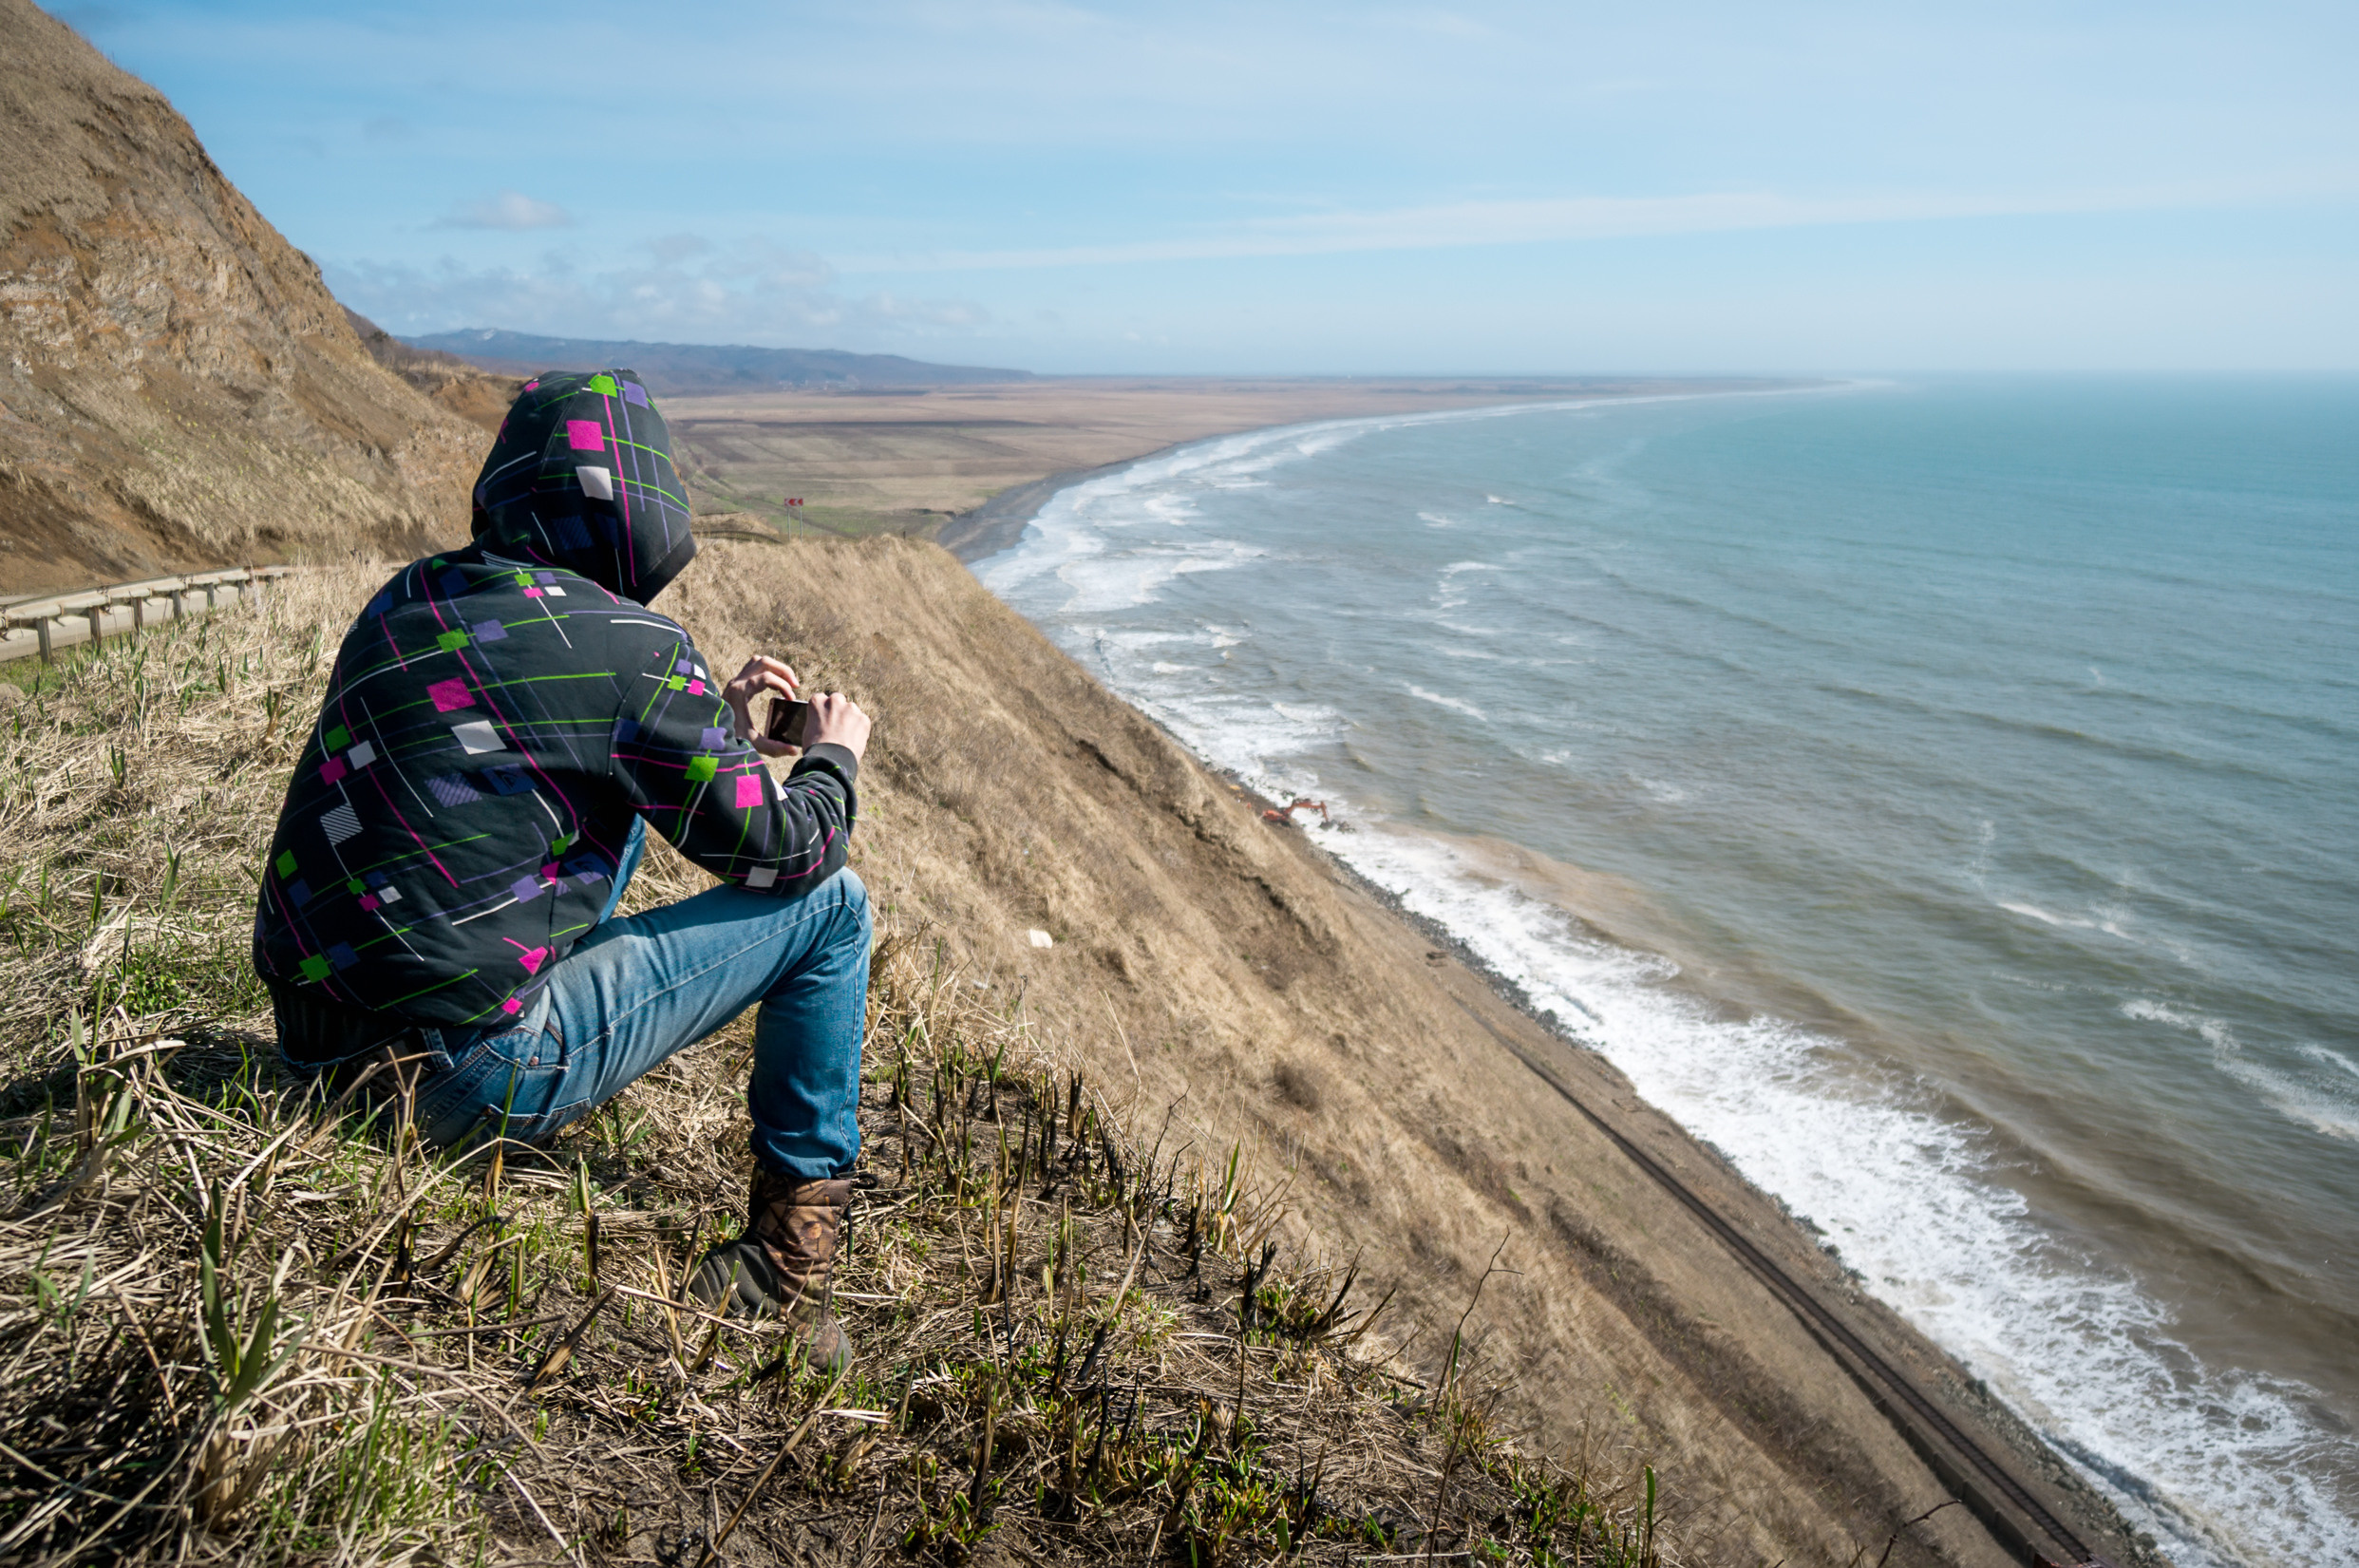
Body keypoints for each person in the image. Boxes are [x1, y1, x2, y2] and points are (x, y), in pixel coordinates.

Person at [253, 368, 871, 1370]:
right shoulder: (630, 647)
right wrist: (834, 756)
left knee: (604, 795)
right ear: (644, 508)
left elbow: (536, 753)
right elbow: (791, 853)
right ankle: (785, 1274)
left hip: (312, 1050)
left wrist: (708, 714)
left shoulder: (407, 594)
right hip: (458, 1080)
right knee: (835, 910)